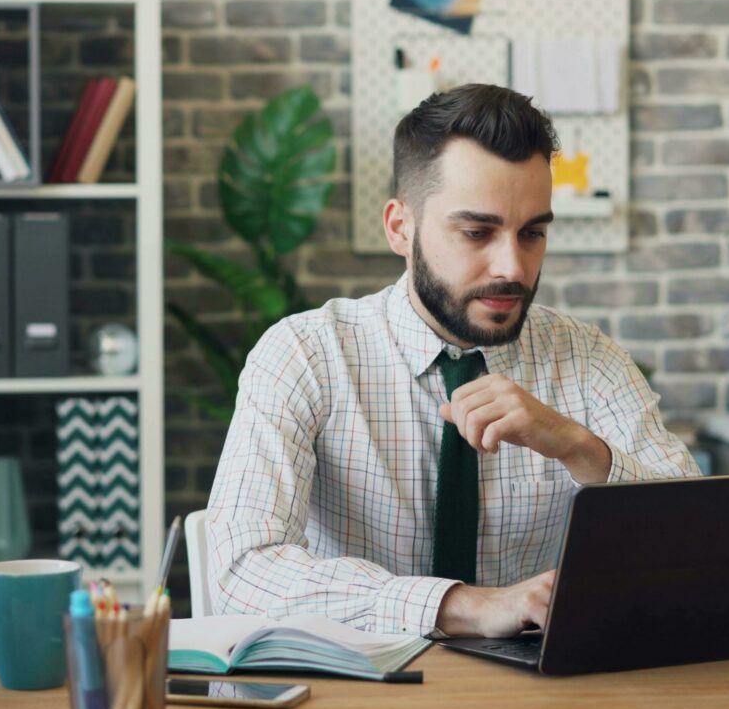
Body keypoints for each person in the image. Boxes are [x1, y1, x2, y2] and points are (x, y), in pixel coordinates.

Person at [205, 84, 700, 639]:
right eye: (476, 232)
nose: (512, 266)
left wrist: (578, 447)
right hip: (359, 692)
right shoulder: (307, 355)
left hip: (538, 698)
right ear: (400, 227)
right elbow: (242, 573)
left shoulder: (590, 360)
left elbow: (695, 544)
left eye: (532, 232)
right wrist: (462, 606)